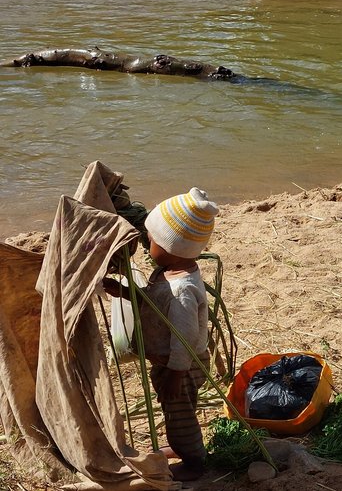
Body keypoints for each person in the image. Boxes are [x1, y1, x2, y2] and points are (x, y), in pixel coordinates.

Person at [103, 188, 219, 481]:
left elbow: (185, 337)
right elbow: (156, 302)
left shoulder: (182, 290)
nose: (147, 245)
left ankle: (194, 462)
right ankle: (182, 446)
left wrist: (176, 373)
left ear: (171, 246)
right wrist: (127, 293)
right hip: (170, 362)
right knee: (176, 411)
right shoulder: (169, 271)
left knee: (181, 416)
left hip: (181, 364)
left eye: (151, 240)